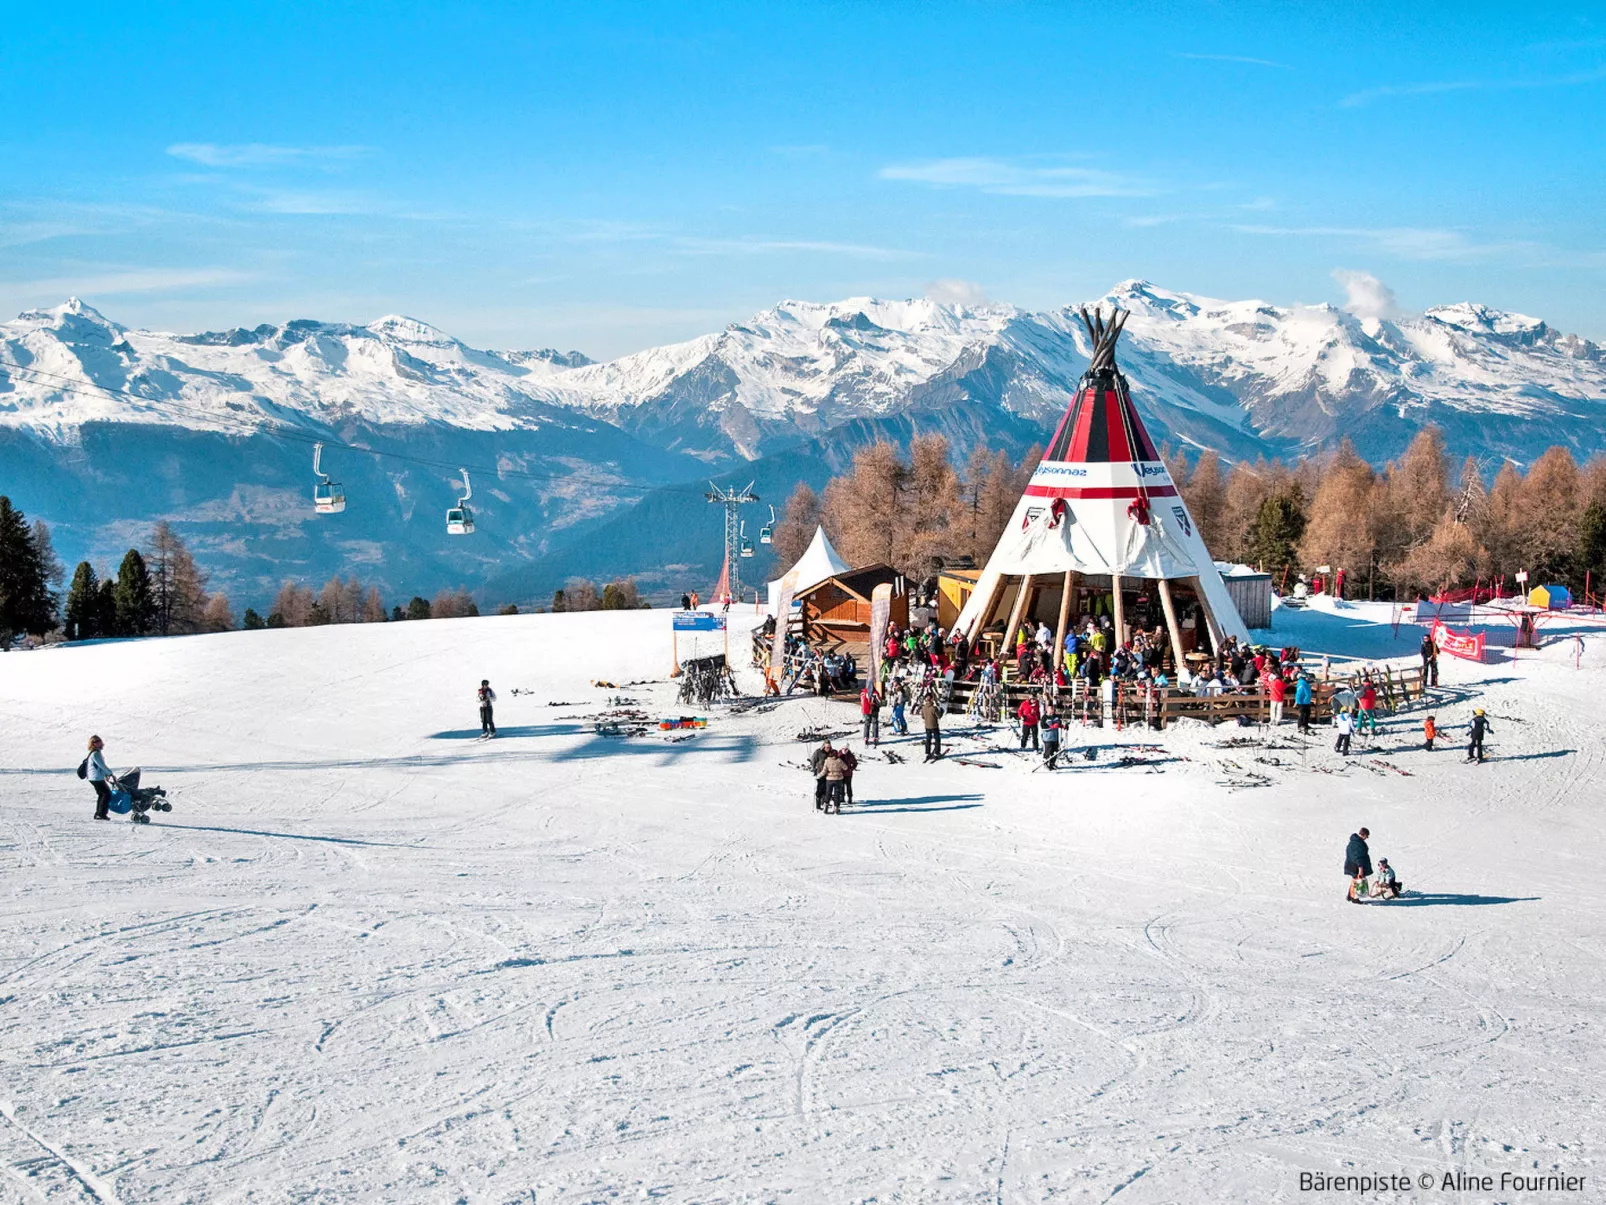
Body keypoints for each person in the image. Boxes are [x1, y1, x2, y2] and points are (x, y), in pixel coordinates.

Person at [84, 734, 113, 821]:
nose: (100, 743)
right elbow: (102, 766)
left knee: (102, 794)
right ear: (93, 744)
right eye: (97, 742)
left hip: (95, 777)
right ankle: (101, 814)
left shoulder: (96, 753)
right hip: (96, 778)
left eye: (100, 741)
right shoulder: (95, 754)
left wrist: (106, 774)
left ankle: (99, 813)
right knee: (106, 794)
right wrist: (110, 773)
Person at [1344, 827, 1373, 904]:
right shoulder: (1357, 844)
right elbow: (1358, 857)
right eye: (1367, 836)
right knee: (1357, 881)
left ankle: (1350, 896)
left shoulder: (1354, 842)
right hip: (1355, 866)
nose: (1367, 838)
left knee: (1355, 879)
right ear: (1363, 835)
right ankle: (1354, 898)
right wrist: (1360, 868)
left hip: (1351, 865)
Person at [809, 739, 834, 810]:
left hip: (829, 774)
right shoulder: (818, 752)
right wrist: (813, 768)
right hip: (820, 773)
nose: (828, 749)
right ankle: (818, 804)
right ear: (824, 746)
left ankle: (825, 802)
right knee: (820, 789)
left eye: (829, 747)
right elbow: (813, 760)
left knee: (827, 789)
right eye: (826, 747)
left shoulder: (832, 752)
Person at [822, 747, 849, 814]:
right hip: (838, 779)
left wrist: (818, 776)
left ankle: (826, 806)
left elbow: (824, 771)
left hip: (829, 779)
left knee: (828, 793)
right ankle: (836, 808)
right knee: (837, 794)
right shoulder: (839, 760)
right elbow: (845, 768)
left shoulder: (827, 760)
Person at [921, 694, 942, 761]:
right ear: (932, 699)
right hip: (934, 726)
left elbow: (923, 716)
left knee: (928, 739)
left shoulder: (923, 707)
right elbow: (939, 716)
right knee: (937, 739)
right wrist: (941, 711)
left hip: (927, 726)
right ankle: (937, 753)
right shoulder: (933, 708)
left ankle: (928, 752)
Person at [1041, 703, 1062, 769]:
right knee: (1048, 751)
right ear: (1047, 709)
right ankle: (1046, 763)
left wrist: (1063, 726)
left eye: (1052, 709)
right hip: (1047, 738)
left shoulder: (1056, 716)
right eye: (1050, 709)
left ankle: (1052, 764)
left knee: (1055, 751)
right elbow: (1043, 726)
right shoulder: (1044, 717)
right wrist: (1051, 726)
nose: (1051, 710)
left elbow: (1059, 723)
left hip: (1055, 738)